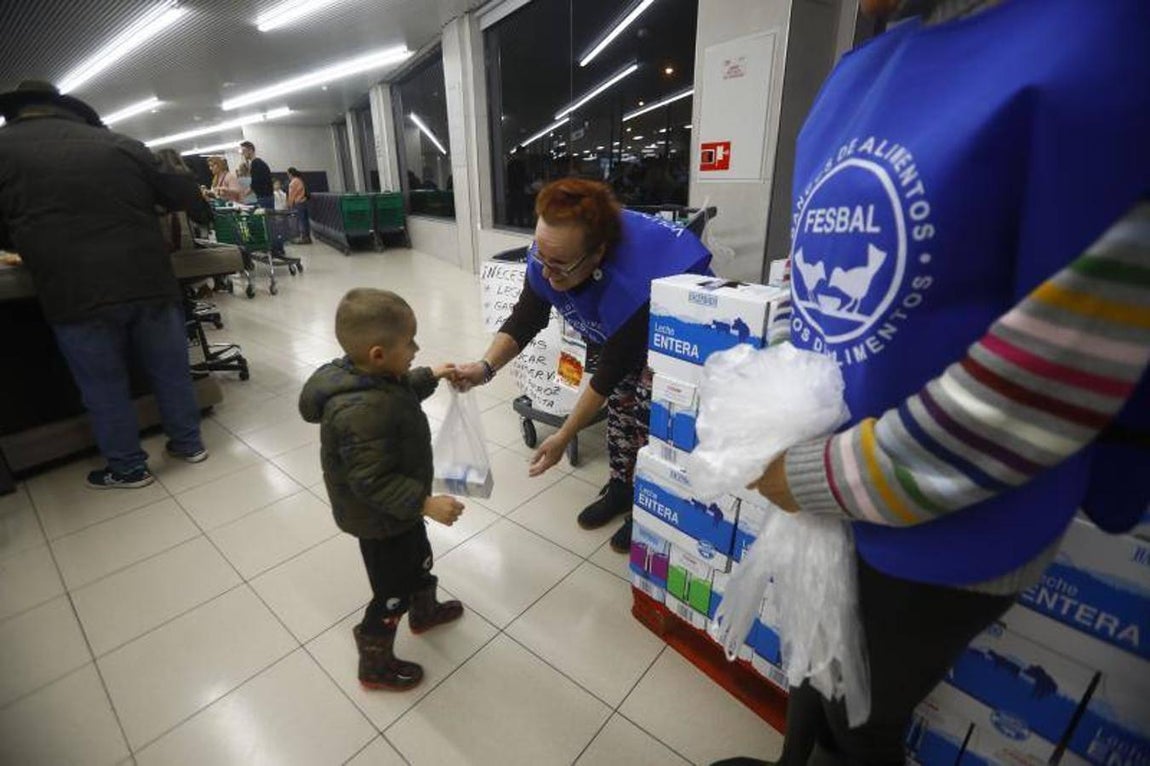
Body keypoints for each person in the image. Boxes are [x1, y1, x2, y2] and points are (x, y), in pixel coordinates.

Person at [714, 0, 1150, 764]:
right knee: (818, 665)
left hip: (951, 510)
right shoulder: (860, 71)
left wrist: (812, 474)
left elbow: (1047, 380)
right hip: (838, 479)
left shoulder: (1113, 46)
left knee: (865, 714)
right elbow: (809, 269)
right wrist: (779, 409)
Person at [452, 177, 713, 552]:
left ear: (597, 255)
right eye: (540, 256)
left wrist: (563, 435)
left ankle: (648, 505)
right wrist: (485, 368)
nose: (545, 271)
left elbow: (608, 372)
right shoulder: (551, 255)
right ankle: (622, 489)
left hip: (673, 337)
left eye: (558, 264)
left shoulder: (637, 281)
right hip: (623, 336)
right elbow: (526, 318)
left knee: (650, 417)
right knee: (622, 413)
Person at [0, 80, 213, 489]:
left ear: (15, 110)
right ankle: (188, 444)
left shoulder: (3, 147)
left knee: (103, 384)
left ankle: (129, 468)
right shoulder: (121, 144)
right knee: (170, 370)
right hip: (149, 278)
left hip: (74, 288)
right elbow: (180, 195)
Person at [298, 288, 465, 690]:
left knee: (420, 559)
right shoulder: (357, 411)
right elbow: (372, 480)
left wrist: (432, 375)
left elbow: (401, 387)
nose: (416, 348)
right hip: (378, 519)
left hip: (400, 512)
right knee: (392, 590)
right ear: (377, 354)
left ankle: (423, 612)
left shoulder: (376, 378)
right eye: (409, 343)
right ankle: (374, 659)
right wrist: (424, 503)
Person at [240, 140, 274, 210]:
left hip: (264, 198)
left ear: (250, 150)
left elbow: (255, 184)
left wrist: (243, 195)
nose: (242, 153)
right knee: (269, 219)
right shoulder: (260, 162)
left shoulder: (255, 163)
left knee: (266, 219)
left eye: (244, 150)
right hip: (267, 197)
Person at [286, 166, 312, 244]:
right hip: (304, 202)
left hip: (298, 203)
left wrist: (289, 204)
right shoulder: (300, 180)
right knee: (305, 220)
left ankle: (303, 238)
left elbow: (292, 195)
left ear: (290, 174)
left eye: (287, 174)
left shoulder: (293, 182)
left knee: (301, 221)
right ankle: (307, 237)